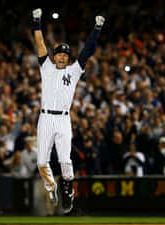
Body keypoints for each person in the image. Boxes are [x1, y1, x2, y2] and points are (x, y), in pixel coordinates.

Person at [31, 8, 105, 214]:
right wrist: (37, 22)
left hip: (63, 119)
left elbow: (88, 50)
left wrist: (97, 28)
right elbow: (39, 44)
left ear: (68, 57)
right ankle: (51, 188)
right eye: (59, 54)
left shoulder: (74, 70)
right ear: (54, 57)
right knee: (41, 161)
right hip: (45, 117)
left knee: (65, 159)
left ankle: (67, 189)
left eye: (65, 54)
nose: (62, 56)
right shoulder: (46, 66)